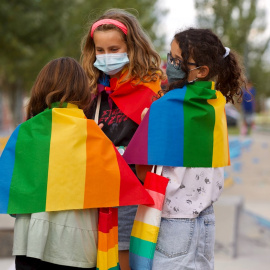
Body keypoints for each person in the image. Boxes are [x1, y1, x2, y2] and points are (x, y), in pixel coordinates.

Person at [0, 57, 152, 270]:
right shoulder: (92, 135)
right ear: (82, 92)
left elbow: (13, 200)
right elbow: (117, 191)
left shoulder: (25, 133)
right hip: (78, 249)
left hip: (30, 244)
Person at [123, 28, 246, 270]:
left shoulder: (164, 107)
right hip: (206, 219)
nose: (169, 64)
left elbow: (142, 172)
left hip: (170, 222)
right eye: (169, 56)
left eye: (176, 60)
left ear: (201, 71)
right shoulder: (215, 104)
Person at [80, 9, 164, 270]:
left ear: (132, 47)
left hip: (132, 193)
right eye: (100, 50)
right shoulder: (91, 90)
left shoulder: (152, 88)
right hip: (96, 193)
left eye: (113, 49)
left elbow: (160, 147)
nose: (105, 57)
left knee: (125, 261)